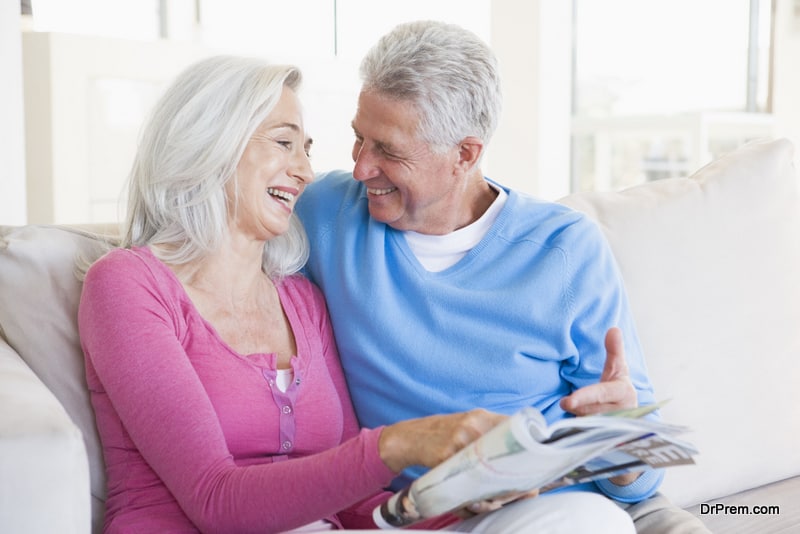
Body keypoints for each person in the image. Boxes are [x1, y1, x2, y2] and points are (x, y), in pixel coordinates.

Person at [78, 55, 564, 533]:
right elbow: (215, 500)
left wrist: (467, 502)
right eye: (285, 142)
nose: (306, 172)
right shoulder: (128, 285)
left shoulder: (301, 301)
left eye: (305, 149)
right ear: (209, 143)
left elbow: (356, 503)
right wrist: (396, 445)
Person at [295, 20, 710, 533]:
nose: (361, 167)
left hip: (537, 508)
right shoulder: (324, 212)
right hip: (401, 511)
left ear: (465, 154)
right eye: (359, 139)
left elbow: (638, 481)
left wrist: (618, 434)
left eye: (389, 151)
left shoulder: (565, 250)